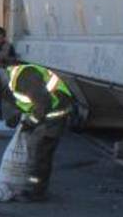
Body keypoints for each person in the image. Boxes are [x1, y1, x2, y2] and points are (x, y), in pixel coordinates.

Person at [4, 63, 73, 199]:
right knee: (38, 152)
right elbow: (31, 102)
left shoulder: (26, 77)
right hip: (50, 112)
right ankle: (35, 187)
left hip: (56, 114)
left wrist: (30, 123)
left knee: (40, 153)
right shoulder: (15, 79)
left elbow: (43, 103)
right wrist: (17, 117)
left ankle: (36, 191)